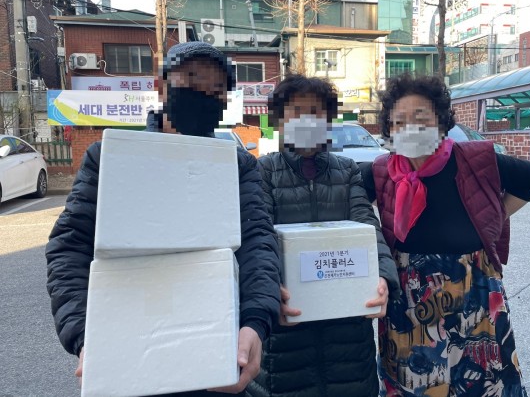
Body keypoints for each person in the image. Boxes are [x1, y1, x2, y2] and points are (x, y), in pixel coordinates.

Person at [45, 41, 281, 396]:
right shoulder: (112, 157)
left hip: (216, 342)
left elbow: (258, 243)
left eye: (216, 89)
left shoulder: (236, 165)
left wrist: (256, 322)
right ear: (161, 86)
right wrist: (84, 334)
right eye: (192, 79)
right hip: (128, 345)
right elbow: (70, 247)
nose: (204, 93)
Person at [359, 73, 530, 397]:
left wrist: (492, 218)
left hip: (475, 295)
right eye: (399, 121)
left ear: (441, 122)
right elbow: (344, 200)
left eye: (421, 118)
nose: (410, 128)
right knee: (413, 385)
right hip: (409, 302)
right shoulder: (381, 171)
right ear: (389, 129)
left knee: (484, 384)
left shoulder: (474, 159)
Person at [245, 74, 401, 397]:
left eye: (316, 112)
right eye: (296, 112)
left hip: (348, 338)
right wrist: (268, 292)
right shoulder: (263, 172)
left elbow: (367, 226)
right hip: (285, 339)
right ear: (279, 121)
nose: (307, 120)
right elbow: (255, 240)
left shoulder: (347, 171)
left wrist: (384, 277)